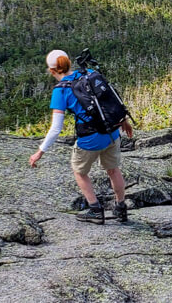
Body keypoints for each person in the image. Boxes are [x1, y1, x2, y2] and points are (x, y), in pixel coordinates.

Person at [29, 49, 134, 224]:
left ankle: (95, 210)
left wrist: (40, 152)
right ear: (69, 62)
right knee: (113, 170)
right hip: (111, 132)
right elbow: (110, 99)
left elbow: (56, 128)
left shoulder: (60, 91)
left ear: (52, 71)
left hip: (90, 139)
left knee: (79, 172)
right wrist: (123, 120)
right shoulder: (89, 73)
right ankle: (121, 208)